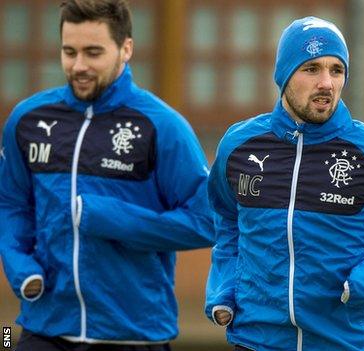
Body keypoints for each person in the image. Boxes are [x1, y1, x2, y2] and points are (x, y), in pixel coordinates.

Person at [205, 16, 364, 351]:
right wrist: (223, 290)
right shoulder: (239, 144)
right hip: (255, 341)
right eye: (311, 69)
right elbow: (226, 221)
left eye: (336, 70)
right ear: (284, 76)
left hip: (343, 341)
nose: (326, 82)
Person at [0, 0, 214, 349]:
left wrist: (111, 218)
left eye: (93, 52)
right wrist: (20, 265)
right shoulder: (28, 120)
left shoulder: (163, 126)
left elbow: (208, 221)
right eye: (69, 52)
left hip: (133, 333)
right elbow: (10, 201)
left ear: (126, 48)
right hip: (43, 327)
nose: (79, 65)